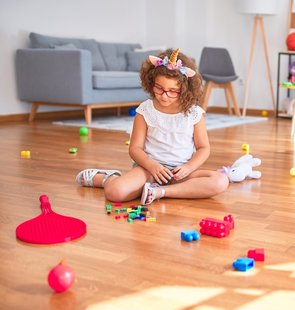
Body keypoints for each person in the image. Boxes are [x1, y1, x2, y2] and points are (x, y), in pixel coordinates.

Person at [76, 48, 229, 205]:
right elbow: (135, 149)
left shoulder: (194, 113)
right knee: (115, 192)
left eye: (172, 91)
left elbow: (204, 148)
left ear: (184, 90)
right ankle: (107, 178)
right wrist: (152, 166)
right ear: (151, 83)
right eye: (159, 88)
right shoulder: (145, 110)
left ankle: (160, 192)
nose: (164, 95)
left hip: (181, 174)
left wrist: (188, 168)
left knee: (220, 181)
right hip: (148, 171)